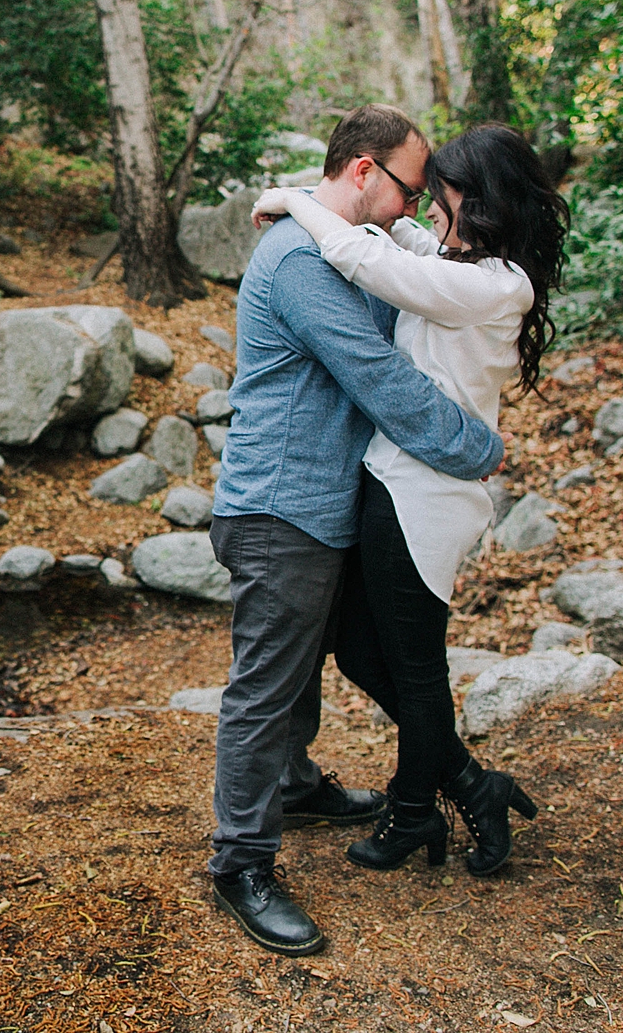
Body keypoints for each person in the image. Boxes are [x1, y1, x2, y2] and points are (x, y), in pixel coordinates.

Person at [207, 105, 505, 957]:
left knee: (305, 665)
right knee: (265, 687)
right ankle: (241, 863)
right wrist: (475, 447)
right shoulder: (302, 259)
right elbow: (380, 378)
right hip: (279, 505)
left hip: (326, 501)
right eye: (411, 189)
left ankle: (294, 785)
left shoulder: (349, 247)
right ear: (365, 170)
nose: (417, 210)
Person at [250, 123, 567, 880]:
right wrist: (321, 200)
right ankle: (470, 786)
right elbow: (402, 241)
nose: (426, 209)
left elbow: (366, 256)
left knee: (417, 670)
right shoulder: (464, 262)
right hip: (395, 480)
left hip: (426, 494)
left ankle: (414, 813)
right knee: (363, 651)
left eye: (441, 197)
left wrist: (296, 202)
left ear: (479, 201)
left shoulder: (493, 284)